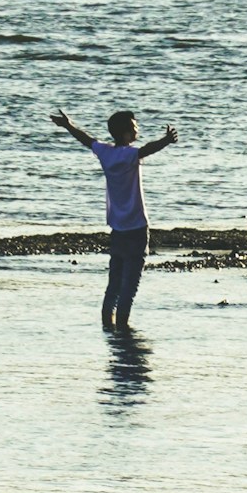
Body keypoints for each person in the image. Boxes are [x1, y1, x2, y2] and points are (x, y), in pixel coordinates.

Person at [50, 105, 179, 328]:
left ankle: (108, 327)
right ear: (126, 134)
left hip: (117, 229)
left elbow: (86, 139)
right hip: (137, 228)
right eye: (135, 126)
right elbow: (147, 149)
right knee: (129, 288)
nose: (138, 129)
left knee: (114, 285)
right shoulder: (129, 154)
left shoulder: (105, 152)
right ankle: (123, 331)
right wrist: (166, 140)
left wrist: (68, 125)